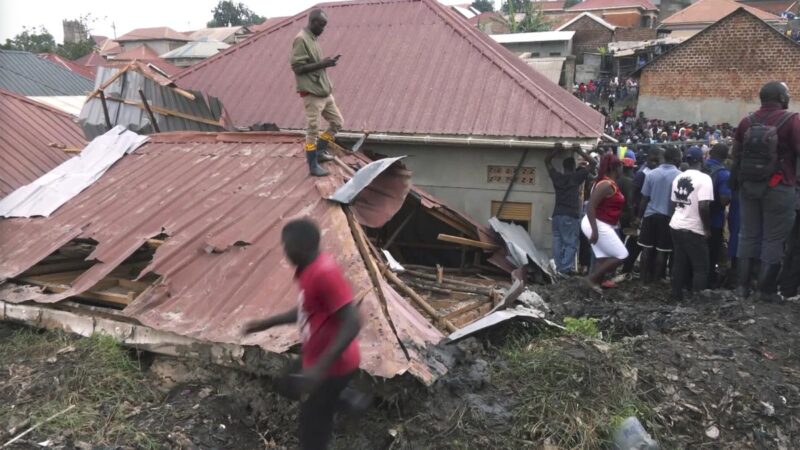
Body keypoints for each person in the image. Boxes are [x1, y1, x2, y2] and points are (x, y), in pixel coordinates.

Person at [242, 219, 362, 450]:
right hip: (316, 358)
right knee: (286, 383)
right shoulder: (307, 270)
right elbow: (306, 309)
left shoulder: (325, 274)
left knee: (312, 432)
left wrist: (319, 370)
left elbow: (352, 322)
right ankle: (346, 400)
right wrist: (265, 324)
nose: (285, 252)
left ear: (301, 247)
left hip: (333, 365)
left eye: (286, 247)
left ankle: (342, 401)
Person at [730, 81, 800, 301]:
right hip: (779, 187)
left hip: (748, 187)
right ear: (781, 98)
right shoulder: (792, 120)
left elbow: (736, 155)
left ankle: (742, 288)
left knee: (747, 235)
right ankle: (765, 290)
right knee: (773, 239)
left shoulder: (745, 122)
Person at [291, 9, 343, 177]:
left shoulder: (313, 39)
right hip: (312, 94)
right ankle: (312, 165)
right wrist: (323, 64)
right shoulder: (301, 39)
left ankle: (320, 151)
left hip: (324, 92)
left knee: (337, 122)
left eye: (324, 26)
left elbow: (316, 64)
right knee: (313, 130)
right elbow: (297, 68)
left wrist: (326, 62)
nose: (323, 29)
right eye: (321, 25)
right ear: (312, 22)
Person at [669, 147, 714, 301]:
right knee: (701, 267)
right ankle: (698, 300)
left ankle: (676, 295)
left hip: (676, 224)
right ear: (702, 160)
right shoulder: (705, 179)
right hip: (693, 228)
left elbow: (674, 202)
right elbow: (703, 206)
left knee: (679, 263)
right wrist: (707, 228)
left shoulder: (678, 178)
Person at [545, 143, 597, 275]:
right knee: (570, 243)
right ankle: (565, 269)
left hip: (556, 215)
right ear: (574, 167)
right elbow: (593, 163)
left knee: (557, 241)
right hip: (570, 215)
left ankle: (558, 268)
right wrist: (579, 151)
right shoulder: (576, 177)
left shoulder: (557, 177)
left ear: (563, 167)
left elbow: (546, 161)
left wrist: (556, 151)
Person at [581, 153, 628, 293]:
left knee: (603, 258)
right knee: (622, 254)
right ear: (615, 168)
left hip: (599, 222)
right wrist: (595, 231)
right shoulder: (606, 184)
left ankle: (595, 285)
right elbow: (590, 207)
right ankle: (591, 279)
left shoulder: (606, 182)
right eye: (621, 166)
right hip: (596, 223)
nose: (622, 170)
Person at [637, 146, 682, 283]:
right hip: (667, 216)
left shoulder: (651, 174)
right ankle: (657, 280)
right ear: (675, 159)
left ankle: (643, 279)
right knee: (662, 250)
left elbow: (644, 198)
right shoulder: (679, 176)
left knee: (646, 249)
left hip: (650, 215)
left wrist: (639, 217)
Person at [622, 148, 662, 275]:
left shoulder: (656, 174)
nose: (654, 163)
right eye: (652, 161)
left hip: (649, 215)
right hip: (641, 214)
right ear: (647, 160)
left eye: (657, 161)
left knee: (645, 245)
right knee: (635, 244)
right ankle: (626, 269)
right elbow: (632, 196)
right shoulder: (643, 174)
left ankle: (642, 271)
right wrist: (634, 217)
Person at [703, 143, 732, 287]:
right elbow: (724, 199)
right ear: (726, 157)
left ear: (711, 152)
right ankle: (708, 282)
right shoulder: (724, 174)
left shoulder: (699, 167)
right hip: (714, 221)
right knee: (711, 253)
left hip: (694, 219)